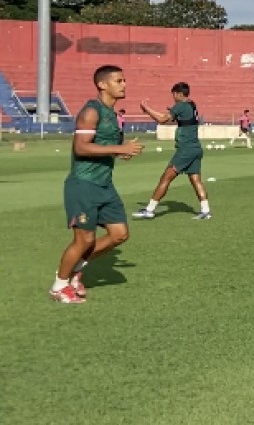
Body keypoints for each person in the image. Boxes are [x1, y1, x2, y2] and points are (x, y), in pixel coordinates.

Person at [51, 65, 145, 303]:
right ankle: (59, 286)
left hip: (104, 185)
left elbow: (102, 147)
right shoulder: (91, 111)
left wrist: (119, 153)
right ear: (102, 84)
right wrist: (119, 148)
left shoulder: (112, 114)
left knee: (119, 234)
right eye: (118, 81)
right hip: (83, 184)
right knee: (85, 239)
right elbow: (81, 147)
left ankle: (75, 270)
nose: (123, 84)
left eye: (124, 80)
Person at [133, 82, 212, 220]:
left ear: (179, 94)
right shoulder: (191, 105)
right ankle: (205, 211)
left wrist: (146, 108)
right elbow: (182, 119)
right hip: (195, 148)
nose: (173, 98)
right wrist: (173, 112)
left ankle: (150, 210)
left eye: (174, 95)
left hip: (186, 149)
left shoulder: (181, 105)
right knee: (195, 180)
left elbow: (162, 119)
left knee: (166, 177)